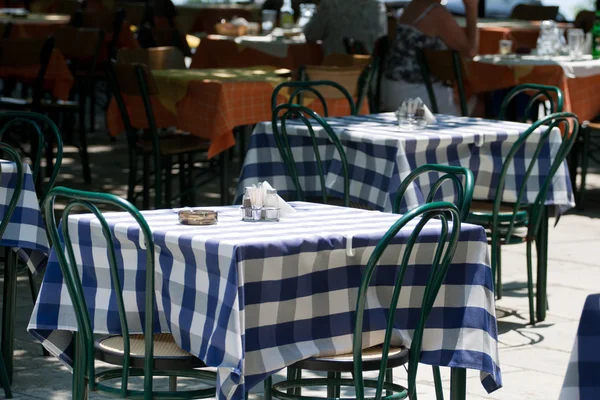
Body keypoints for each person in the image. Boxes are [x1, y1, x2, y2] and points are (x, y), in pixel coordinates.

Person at [381, 0, 479, 114]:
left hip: (389, 90)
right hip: (413, 96)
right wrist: (472, 8)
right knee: (479, 105)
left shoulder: (413, 5)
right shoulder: (435, 12)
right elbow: (470, 52)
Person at [303, 0, 387, 56]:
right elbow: (381, 42)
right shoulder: (378, 6)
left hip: (336, 73)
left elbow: (310, 34)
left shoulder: (330, 4)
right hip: (369, 74)